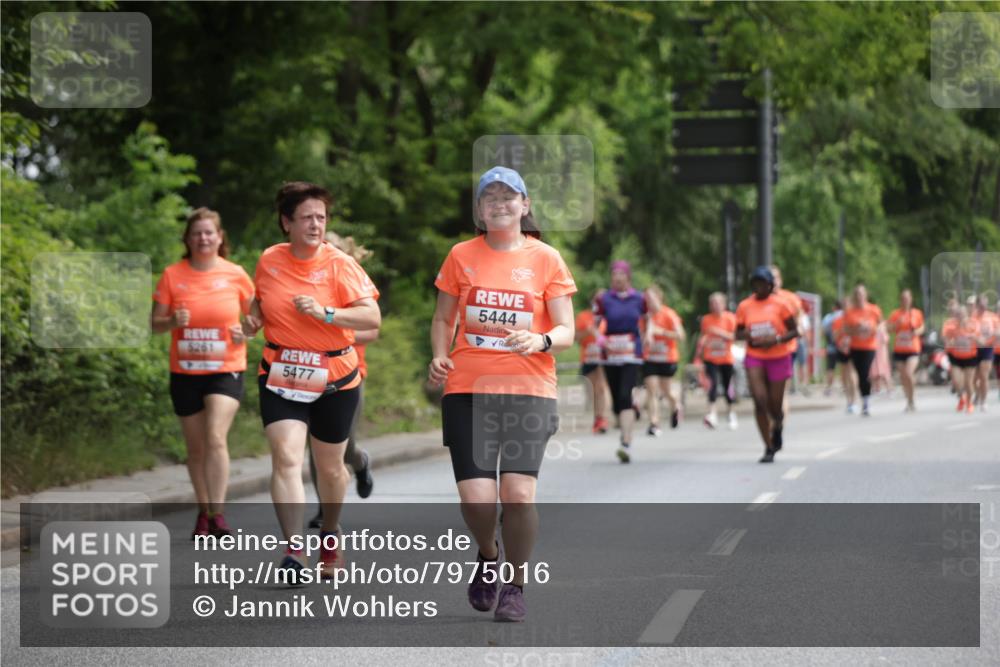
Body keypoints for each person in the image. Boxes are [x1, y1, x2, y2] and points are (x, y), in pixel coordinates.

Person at [429, 166, 575, 622]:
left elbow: (566, 328)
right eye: (489, 197)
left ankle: (515, 585)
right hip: (467, 389)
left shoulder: (546, 259)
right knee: (477, 499)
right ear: (479, 209)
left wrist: (541, 339)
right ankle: (489, 554)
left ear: (524, 205)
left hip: (529, 390)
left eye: (508, 196)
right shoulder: (460, 255)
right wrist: (439, 354)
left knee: (518, 494)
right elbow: (443, 318)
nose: (499, 204)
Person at [243, 181, 381, 581]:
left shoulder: (341, 264)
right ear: (287, 222)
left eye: (321, 217)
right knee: (286, 458)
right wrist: (253, 319)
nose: (316, 224)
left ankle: (330, 533)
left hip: (334, 379)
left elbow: (371, 317)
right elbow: (260, 298)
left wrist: (326, 313)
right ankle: (293, 551)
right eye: (306, 217)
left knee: (331, 469)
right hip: (281, 373)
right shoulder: (270, 259)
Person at [152, 207, 254, 539]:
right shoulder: (172, 275)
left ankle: (218, 514)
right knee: (195, 449)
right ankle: (203, 511)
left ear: (220, 237)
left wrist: (246, 331)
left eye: (209, 232)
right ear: (188, 239)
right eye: (197, 233)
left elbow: (257, 318)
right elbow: (155, 324)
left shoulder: (236, 274)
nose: (203, 238)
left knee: (215, 436)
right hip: (185, 371)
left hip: (225, 369)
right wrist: (171, 321)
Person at [307, 232, 378, 530]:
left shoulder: (351, 282)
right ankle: (324, 509)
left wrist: (334, 327)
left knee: (344, 446)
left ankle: (360, 462)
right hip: (309, 371)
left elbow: (372, 330)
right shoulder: (307, 285)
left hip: (349, 374)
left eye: (333, 249)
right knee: (315, 445)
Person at [735, 267, 799, 463]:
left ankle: (777, 425)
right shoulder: (745, 306)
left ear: (770, 285)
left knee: (774, 404)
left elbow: (794, 331)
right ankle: (768, 446)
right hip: (755, 355)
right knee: (759, 400)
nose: (759, 287)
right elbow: (737, 332)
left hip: (778, 356)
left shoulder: (781, 304)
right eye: (756, 284)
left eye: (763, 284)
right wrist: (746, 335)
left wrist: (776, 339)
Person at [594, 261, 647, 463]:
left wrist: (647, 336)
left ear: (628, 277)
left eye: (621, 274)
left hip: (631, 353)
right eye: (614, 274)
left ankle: (626, 441)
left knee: (625, 395)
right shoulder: (604, 299)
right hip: (610, 355)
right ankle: (626, 419)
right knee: (617, 401)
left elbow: (648, 320)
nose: (617, 278)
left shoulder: (639, 298)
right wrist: (601, 340)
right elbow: (594, 324)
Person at [640, 284, 685, 436]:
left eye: (650, 298)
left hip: (667, 358)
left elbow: (680, 335)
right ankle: (654, 423)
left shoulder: (669, 314)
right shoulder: (644, 317)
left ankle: (675, 405)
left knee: (666, 391)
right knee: (652, 390)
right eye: (645, 299)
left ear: (659, 297)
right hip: (650, 358)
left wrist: (661, 332)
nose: (648, 302)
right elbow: (639, 335)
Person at [697, 292, 737, 430]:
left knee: (727, 386)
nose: (715, 306)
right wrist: (702, 345)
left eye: (718, 303)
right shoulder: (706, 319)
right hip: (711, 357)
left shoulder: (730, 318)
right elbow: (704, 336)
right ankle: (712, 414)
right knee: (712, 384)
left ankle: (731, 413)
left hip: (726, 358)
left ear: (723, 304)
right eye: (712, 303)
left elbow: (735, 336)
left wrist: (720, 333)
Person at [842, 284, 883, 417]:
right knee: (860, 374)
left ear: (866, 295)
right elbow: (845, 329)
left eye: (861, 294)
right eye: (857, 294)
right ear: (855, 296)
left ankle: (866, 402)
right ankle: (864, 399)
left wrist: (872, 329)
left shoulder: (874, 309)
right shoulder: (850, 312)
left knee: (865, 372)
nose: (859, 296)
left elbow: (881, 324)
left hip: (870, 346)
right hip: (855, 346)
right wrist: (857, 329)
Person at [575, 290, 609, 434]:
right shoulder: (583, 316)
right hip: (588, 357)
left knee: (601, 388)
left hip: (604, 357)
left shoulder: (609, 317)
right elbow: (576, 338)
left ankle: (603, 418)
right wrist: (588, 332)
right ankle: (597, 418)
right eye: (597, 299)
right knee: (593, 390)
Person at [886, 289, 925, 412]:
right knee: (903, 377)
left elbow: (922, 327)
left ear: (911, 299)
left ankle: (912, 400)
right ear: (900, 300)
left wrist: (916, 332)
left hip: (913, 349)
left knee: (908, 373)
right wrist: (896, 325)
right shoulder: (895, 314)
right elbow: (888, 329)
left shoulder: (917, 313)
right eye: (903, 298)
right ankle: (908, 400)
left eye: (907, 298)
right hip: (899, 349)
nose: (905, 301)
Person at [943, 305, 979, 413]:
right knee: (956, 381)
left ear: (966, 314)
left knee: (968, 382)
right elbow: (946, 340)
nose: (960, 317)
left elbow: (979, 339)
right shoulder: (952, 327)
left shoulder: (973, 325)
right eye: (958, 315)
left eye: (962, 314)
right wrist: (950, 342)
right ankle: (961, 398)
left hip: (970, 357)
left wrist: (974, 337)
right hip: (957, 357)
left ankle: (969, 403)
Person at [972, 294, 998, 411]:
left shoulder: (992, 317)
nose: (983, 307)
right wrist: (977, 339)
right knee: (973, 378)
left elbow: (998, 331)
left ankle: (984, 401)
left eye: (985, 304)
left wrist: (994, 334)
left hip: (988, 348)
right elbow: (968, 331)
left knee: (984, 376)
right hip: (974, 349)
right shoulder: (972, 317)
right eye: (981, 305)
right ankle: (978, 393)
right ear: (977, 305)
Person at [830, 303, 858, 412]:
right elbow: (834, 337)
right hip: (841, 349)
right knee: (844, 375)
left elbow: (859, 334)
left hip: (853, 348)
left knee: (851, 373)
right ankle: (849, 401)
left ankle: (854, 400)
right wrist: (841, 330)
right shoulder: (838, 321)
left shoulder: (855, 319)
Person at [821, 300, 844, 396]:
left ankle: (829, 388)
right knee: (844, 367)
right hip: (843, 346)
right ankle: (845, 387)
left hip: (831, 345)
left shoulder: (828, 317)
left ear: (835, 307)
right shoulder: (845, 316)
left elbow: (823, 331)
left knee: (830, 367)